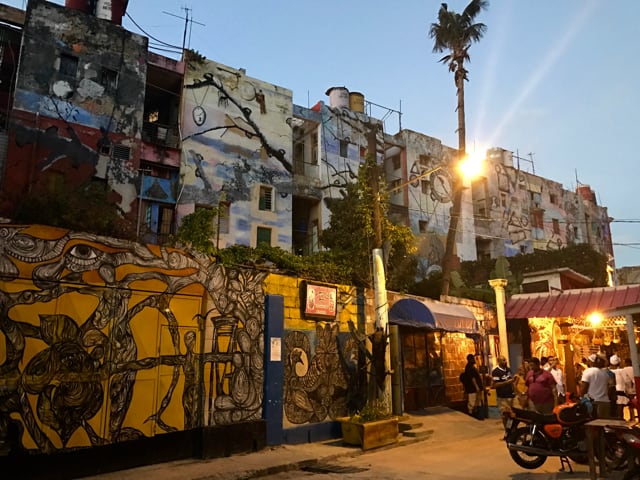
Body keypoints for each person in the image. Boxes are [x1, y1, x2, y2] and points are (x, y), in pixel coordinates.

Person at [581, 354, 615, 418]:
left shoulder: (588, 371)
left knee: (593, 425)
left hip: (594, 403)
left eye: (589, 360)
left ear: (591, 362)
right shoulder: (605, 373)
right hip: (606, 403)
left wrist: (581, 397)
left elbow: (584, 387)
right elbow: (610, 386)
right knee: (604, 424)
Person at [492, 356, 515, 426]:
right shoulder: (496, 372)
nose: (505, 361)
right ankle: (507, 430)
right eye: (503, 360)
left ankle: (512, 429)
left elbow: (512, 381)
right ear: (499, 361)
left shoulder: (508, 370)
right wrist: (506, 382)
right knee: (505, 414)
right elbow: (495, 385)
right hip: (502, 397)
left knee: (512, 414)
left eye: (505, 360)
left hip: (510, 395)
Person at [461, 353, 484, 418]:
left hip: (475, 388)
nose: (474, 360)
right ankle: (470, 414)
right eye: (473, 358)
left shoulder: (472, 366)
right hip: (472, 388)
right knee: (472, 401)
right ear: (470, 359)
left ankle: (478, 414)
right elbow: (472, 378)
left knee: (477, 401)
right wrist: (476, 387)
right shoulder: (469, 367)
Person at [610, 354, 628, 419]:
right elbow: (627, 381)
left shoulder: (609, 371)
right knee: (620, 409)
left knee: (614, 409)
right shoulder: (622, 371)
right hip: (621, 391)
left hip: (612, 392)